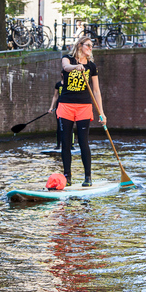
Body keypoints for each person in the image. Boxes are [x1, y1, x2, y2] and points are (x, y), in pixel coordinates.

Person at [56, 36, 106, 187]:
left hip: (84, 106)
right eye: (88, 45)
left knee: (83, 142)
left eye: (92, 46)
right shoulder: (67, 59)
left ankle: (88, 177)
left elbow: (96, 91)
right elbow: (66, 67)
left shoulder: (92, 66)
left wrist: (101, 113)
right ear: (80, 46)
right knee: (66, 142)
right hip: (65, 105)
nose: (91, 48)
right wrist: (75, 67)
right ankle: (67, 177)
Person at [48, 80, 72, 150]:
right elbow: (55, 96)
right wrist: (51, 107)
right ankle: (58, 145)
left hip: (68, 106)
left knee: (70, 126)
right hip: (59, 107)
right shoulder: (58, 84)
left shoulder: (70, 83)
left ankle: (71, 145)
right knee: (59, 126)